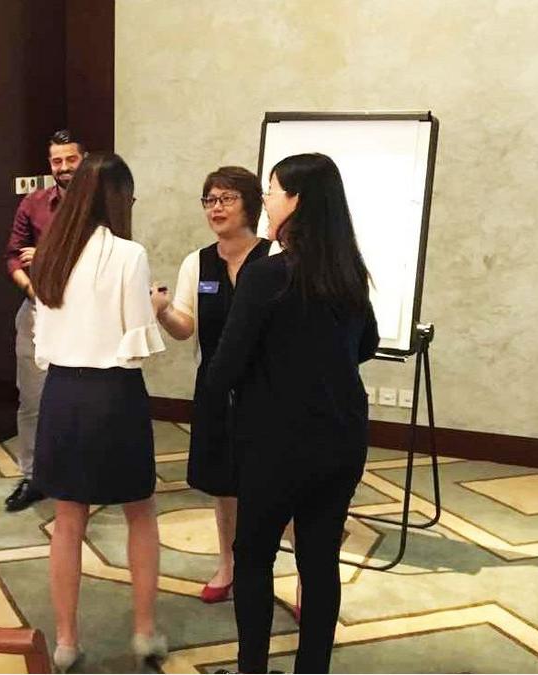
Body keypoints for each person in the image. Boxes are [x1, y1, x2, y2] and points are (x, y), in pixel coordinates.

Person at [207, 153, 378, 673]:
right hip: (342, 439)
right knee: (319, 560)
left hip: (275, 444)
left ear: (297, 201)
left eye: (273, 190)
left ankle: (252, 668)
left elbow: (224, 369)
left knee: (254, 557)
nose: (266, 200)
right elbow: (366, 345)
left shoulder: (265, 275)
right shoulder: (349, 273)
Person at [30, 153, 167, 671]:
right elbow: (137, 341)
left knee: (68, 520)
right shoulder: (129, 254)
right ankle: (144, 632)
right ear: (118, 199)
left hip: (62, 393)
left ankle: (66, 641)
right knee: (141, 511)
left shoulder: (50, 253)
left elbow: (43, 339)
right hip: (115, 395)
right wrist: (154, 308)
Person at [153, 166, 274, 604]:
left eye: (226, 198)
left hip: (270, 389)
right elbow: (186, 327)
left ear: (250, 204)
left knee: (277, 481)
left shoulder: (276, 256)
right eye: (210, 200)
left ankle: (300, 572)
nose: (216, 208)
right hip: (216, 386)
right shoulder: (197, 262)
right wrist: (163, 311)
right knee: (224, 483)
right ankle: (229, 564)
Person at [1, 129, 84, 512]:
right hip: (37, 310)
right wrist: (33, 290)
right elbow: (13, 256)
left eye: (71, 159)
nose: (64, 167)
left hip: (86, 315)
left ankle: (78, 473)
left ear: (84, 160)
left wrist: (46, 253)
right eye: (57, 161)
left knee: (82, 399)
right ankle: (34, 476)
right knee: (33, 399)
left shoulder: (100, 204)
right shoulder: (34, 203)